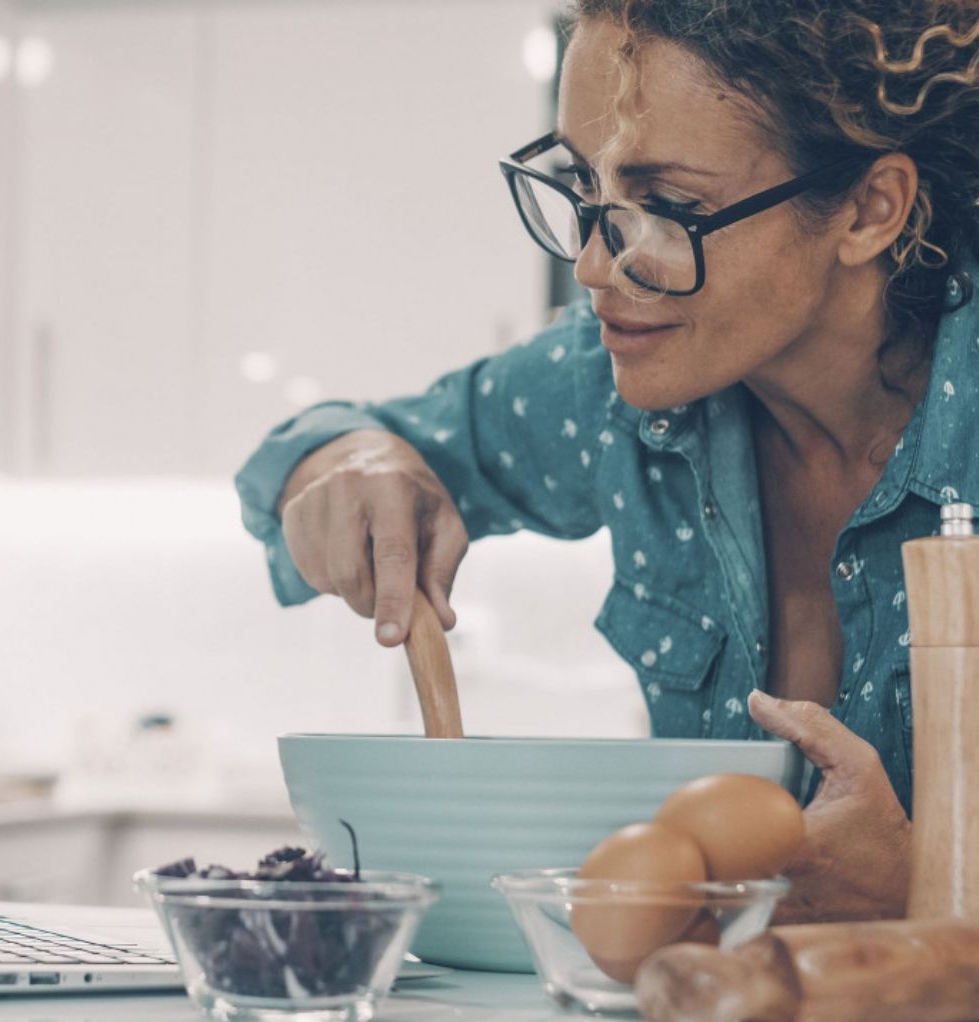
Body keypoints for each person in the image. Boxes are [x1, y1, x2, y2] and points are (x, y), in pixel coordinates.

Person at [235, 0, 979, 923]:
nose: (594, 263)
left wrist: (932, 891)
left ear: (871, 209)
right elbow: (337, 446)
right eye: (586, 190)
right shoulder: (614, 389)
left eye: (668, 208)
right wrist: (346, 461)